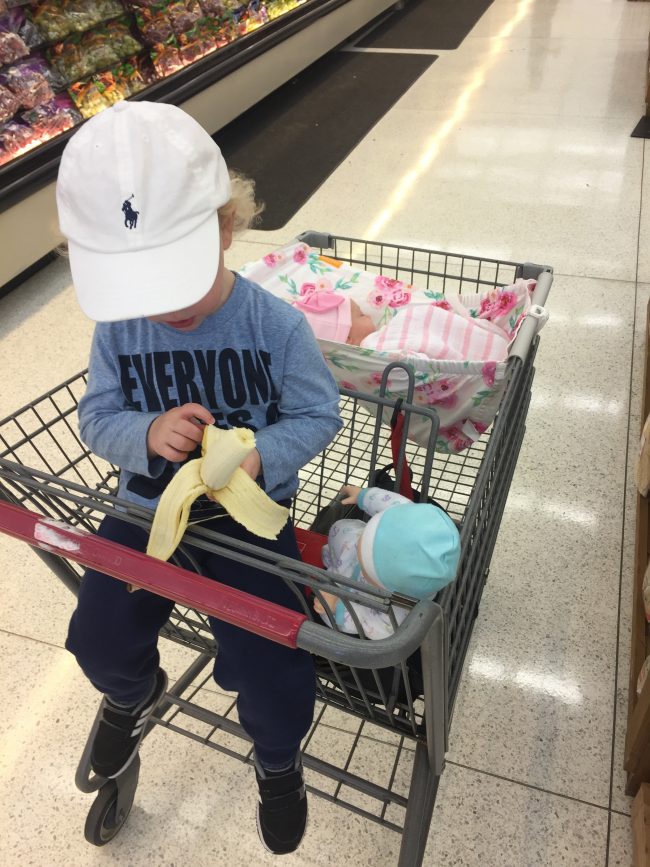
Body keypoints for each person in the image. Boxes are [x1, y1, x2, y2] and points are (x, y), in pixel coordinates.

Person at [55, 100, 342, 856]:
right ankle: (132, 690)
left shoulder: (275, 327)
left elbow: (319, 415)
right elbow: (95, 419)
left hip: (247, 524)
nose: (162, 307)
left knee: (272, 665)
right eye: (139, 286)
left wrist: (260, 457)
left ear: (225, 226)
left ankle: (278, 760)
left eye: (171, 279)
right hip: (145, 514)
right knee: (96, 633)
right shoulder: (120, 326)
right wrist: (147, 433)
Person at [314, 484, 460, 640]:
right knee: (343, 529)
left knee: (333, 619)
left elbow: (372, 627)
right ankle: (344, 554)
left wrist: (337, 608)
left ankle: (336, 573)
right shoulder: (405, 516)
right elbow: (391, 502)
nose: (359, 549)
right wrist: (363, 496)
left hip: (357, 596)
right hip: (353, 552)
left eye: (366, 568)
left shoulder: (396, 609)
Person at [293, 288, 511, 361]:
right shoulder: (373, 349)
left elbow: (427, 319)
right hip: (490, 354)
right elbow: (413, 355)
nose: (368, 315)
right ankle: (487, 347)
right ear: (347, 340)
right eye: (360, 316)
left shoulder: (386, 331)